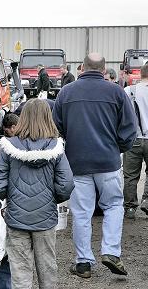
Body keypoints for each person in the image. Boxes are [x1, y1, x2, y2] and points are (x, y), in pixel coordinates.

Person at [53, 53, 137, 278]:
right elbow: (130, 128)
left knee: (81, 213)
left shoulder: (66, 92)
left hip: (77, 163)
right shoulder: (117, 92)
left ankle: (83, 263)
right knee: (113, 206)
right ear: (103, 70)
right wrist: (116, 148)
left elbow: (56, 127)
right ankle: (110, 251)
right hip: (108, 162)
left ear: (81, 68)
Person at [0, 98, 73, 289]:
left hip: (16, 217)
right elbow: (66, 184)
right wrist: (53, 199)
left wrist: (8, 196)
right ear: (47, 118)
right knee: (48, 268)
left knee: (20, 270)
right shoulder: (56, 148)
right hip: (45, 218)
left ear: (23, 118)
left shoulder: (8, 146)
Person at [123, 63, 148, 219]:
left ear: (140, 73)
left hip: (134, 138)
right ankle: (147, 202)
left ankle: (130, 207)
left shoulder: (128, 91)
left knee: (131, 175)